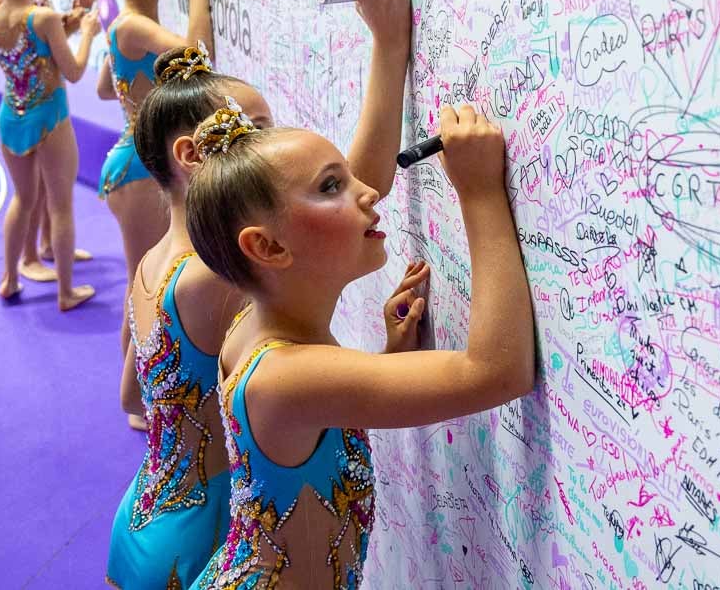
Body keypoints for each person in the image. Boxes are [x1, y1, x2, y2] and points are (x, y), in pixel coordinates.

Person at [108, 0, 417, 587]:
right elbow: (362, 189)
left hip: (146, 519)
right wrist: (388, 49)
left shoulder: (154, 263)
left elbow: (131, 398)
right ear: (194, 156)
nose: (266, 150)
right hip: (204, 537)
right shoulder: (209, 275)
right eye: (252, 134)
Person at [185, 98, 535, 588]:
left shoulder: (261, 326)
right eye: (332, 185)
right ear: (267, 247)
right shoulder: (283, 374)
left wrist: (391, 361)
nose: (368, 192)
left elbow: (319, 417)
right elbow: (498, 372)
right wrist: (479, 191)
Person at [97, 0, 214, 429]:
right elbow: (199, 57)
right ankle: (137, 399)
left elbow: (105, 87)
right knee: (143, 284)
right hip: (140, 169)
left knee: (146, 279)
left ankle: (141, 393)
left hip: (139, 162)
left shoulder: (130, 30)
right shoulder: (131, 24)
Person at [0, 0, 101, 309]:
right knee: (60, 204)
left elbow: (25, 57)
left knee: (23, 200)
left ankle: (10, 278)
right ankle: (66, 292)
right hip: (50, 116)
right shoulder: (43, 17)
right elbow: (75, 71)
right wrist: (89, 34)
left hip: (11, 116)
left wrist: (68, 24)